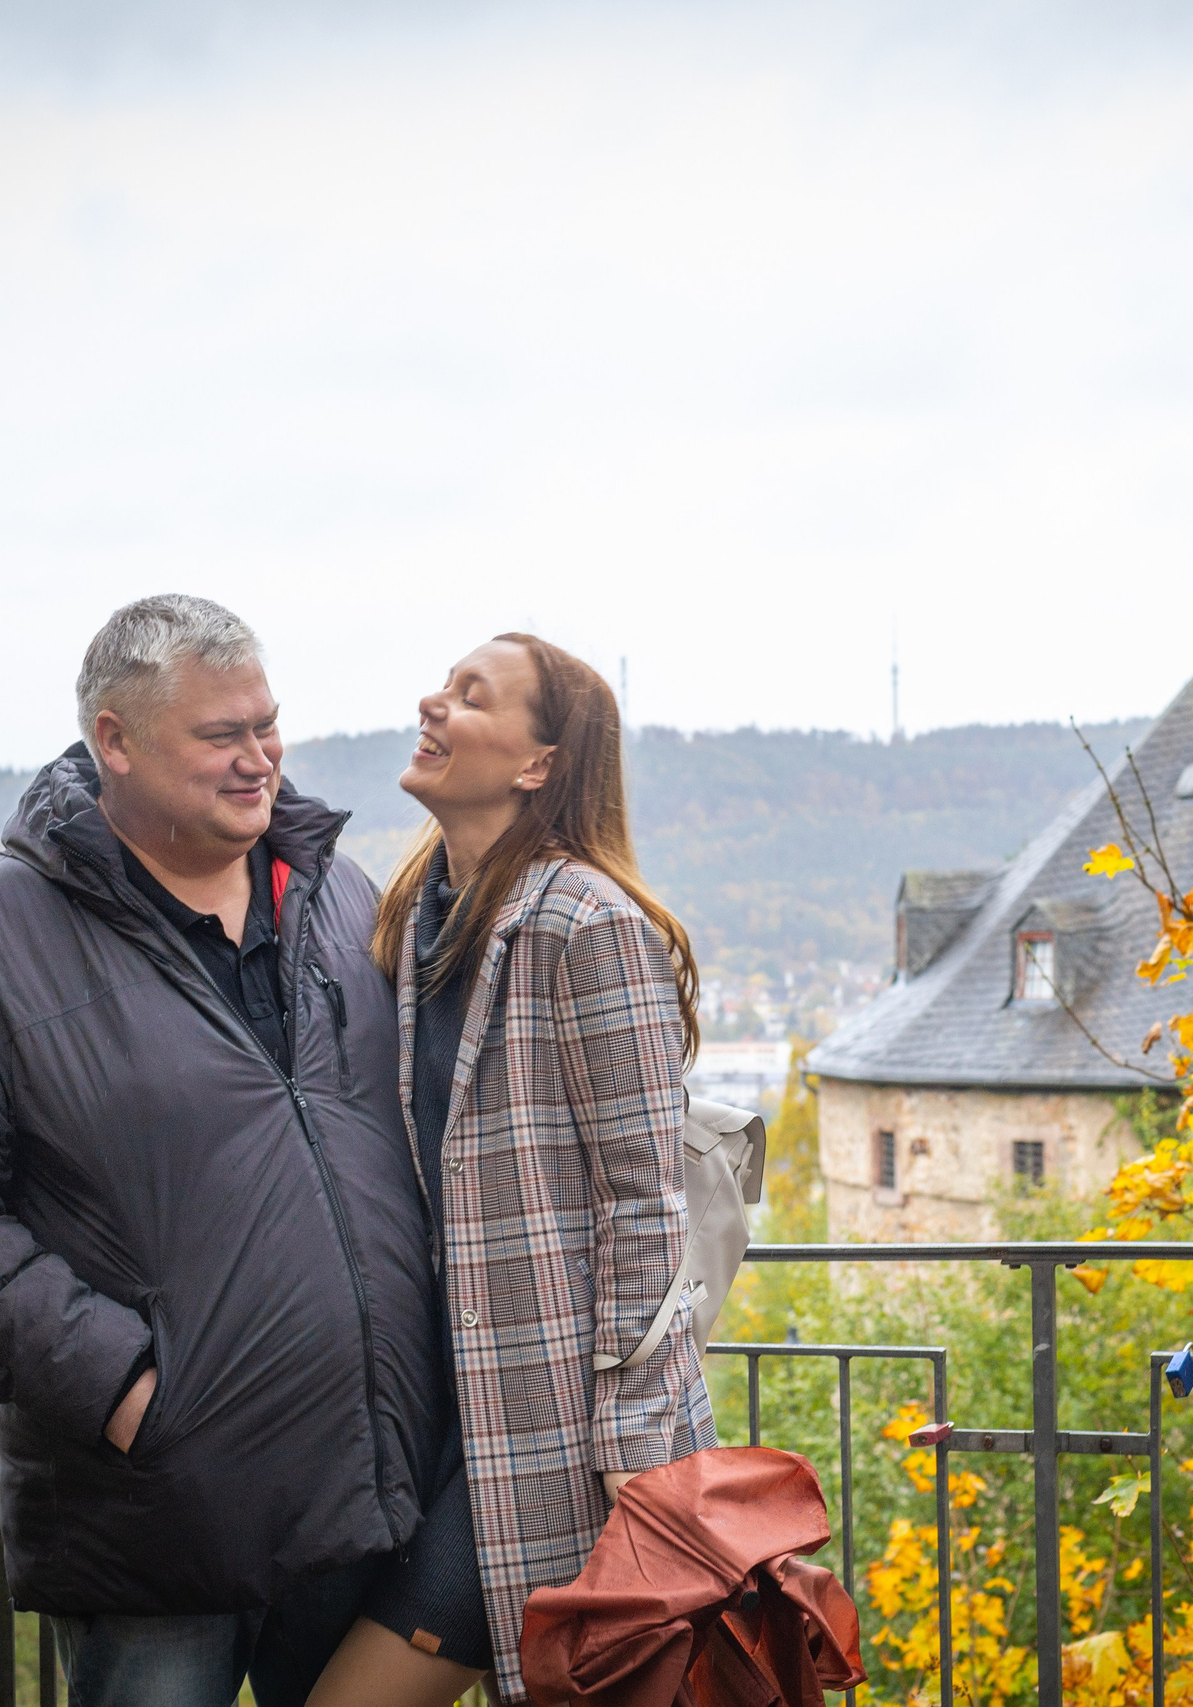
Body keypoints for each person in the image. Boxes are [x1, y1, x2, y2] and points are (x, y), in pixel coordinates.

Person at [0, 596, 447, 1707]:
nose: (259, 759)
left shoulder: (336, 895)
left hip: (362, 1487)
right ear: (114, 741)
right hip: (158, 1516)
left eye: (267, 725)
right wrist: (123, 1386)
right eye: (221, 735)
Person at [306, 633, 717, 1707]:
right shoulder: (417, 916)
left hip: (557, 1430)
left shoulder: (590, 923)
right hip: (436, 1415)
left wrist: (633, 1436)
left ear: (538, 763)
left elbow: (647, 1203)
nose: (432, 704)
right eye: (444, 686)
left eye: (470, 696)